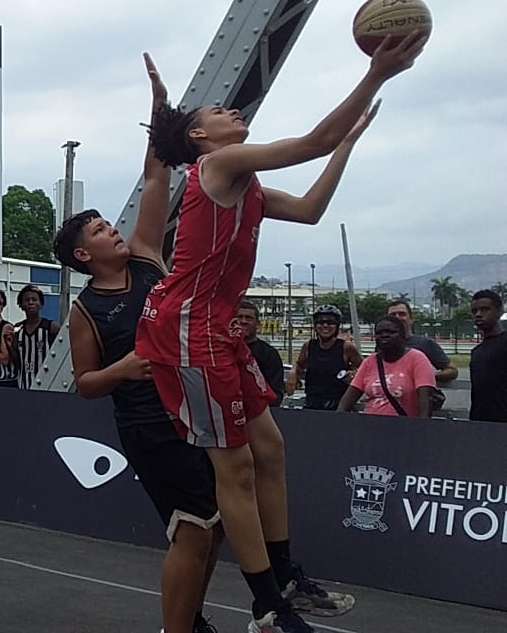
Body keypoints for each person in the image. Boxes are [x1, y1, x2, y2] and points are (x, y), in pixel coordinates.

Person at [136, 32, 423, 631]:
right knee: (235, 469)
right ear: (200, 138)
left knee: (271, 449)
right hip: (187, 332)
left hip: (218, 331)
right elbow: (308, 142)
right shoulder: (218, 166)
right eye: (218, 111)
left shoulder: (248, 185)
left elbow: (314, 207)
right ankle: (268, 605)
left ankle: (285, 572)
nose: (232, 111)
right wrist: (375, 73)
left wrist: (344, 144)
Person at [57, 52, 222, 633]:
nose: (115, 230)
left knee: (216, 525)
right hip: (149, 425)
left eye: (111, 223)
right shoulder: (85, 311)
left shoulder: (148, 258)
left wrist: (158, 105)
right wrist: (126, 367)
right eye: (102, 230)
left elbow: (157, 176)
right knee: (194, 525)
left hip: (192, 411)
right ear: (84, 255)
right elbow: (83, 386)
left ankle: (192, 618)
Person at [336, 316, 436, 417]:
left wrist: (422, 428)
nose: (384, 335)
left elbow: (426, 400)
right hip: (369, 425)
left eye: (391, 332)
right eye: (379, 333)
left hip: (404, 426)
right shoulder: (369, 361)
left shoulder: (417, 359)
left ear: (402, 335)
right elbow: (347, 401)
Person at [385, 300, 458, 411]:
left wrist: (427, 377)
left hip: (416, 407)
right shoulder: (382, 345)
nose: (397, 317)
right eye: (393, 315)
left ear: (411, 319)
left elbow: (452, 370)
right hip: (387, 406)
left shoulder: (425, 344)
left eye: (402, 314)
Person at [285, 305, 361, 411]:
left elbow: (363, 369)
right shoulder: (309, 346)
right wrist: (293, 373)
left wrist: (353, 373)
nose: (325, 325)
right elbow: (300, 365)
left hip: (338, 406)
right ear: (315, 326)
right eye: (320, 322)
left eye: (330, 323)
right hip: (312, 404)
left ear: (337, 326)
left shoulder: (346, 347)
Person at [237, 301, 286, 406]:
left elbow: (276, 392)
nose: (243, 321)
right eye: (239, 317)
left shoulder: (269, 354)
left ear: (258, 324)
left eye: (249, 318)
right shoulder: (221, 351)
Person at [467, 290, 506, 422]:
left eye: (485, 309)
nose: (478, 314)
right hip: (480, 424)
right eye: (474, 311)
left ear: (499, 311)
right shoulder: (477, 351)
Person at [15, 284, 60, 389]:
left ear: (41, 304)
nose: (31, 302)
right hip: (23, 384)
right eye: (27, 300)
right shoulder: (17, 329)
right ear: (21, 305)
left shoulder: (51, 327)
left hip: (47, 384)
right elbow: (15, 358)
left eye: (34, 299)